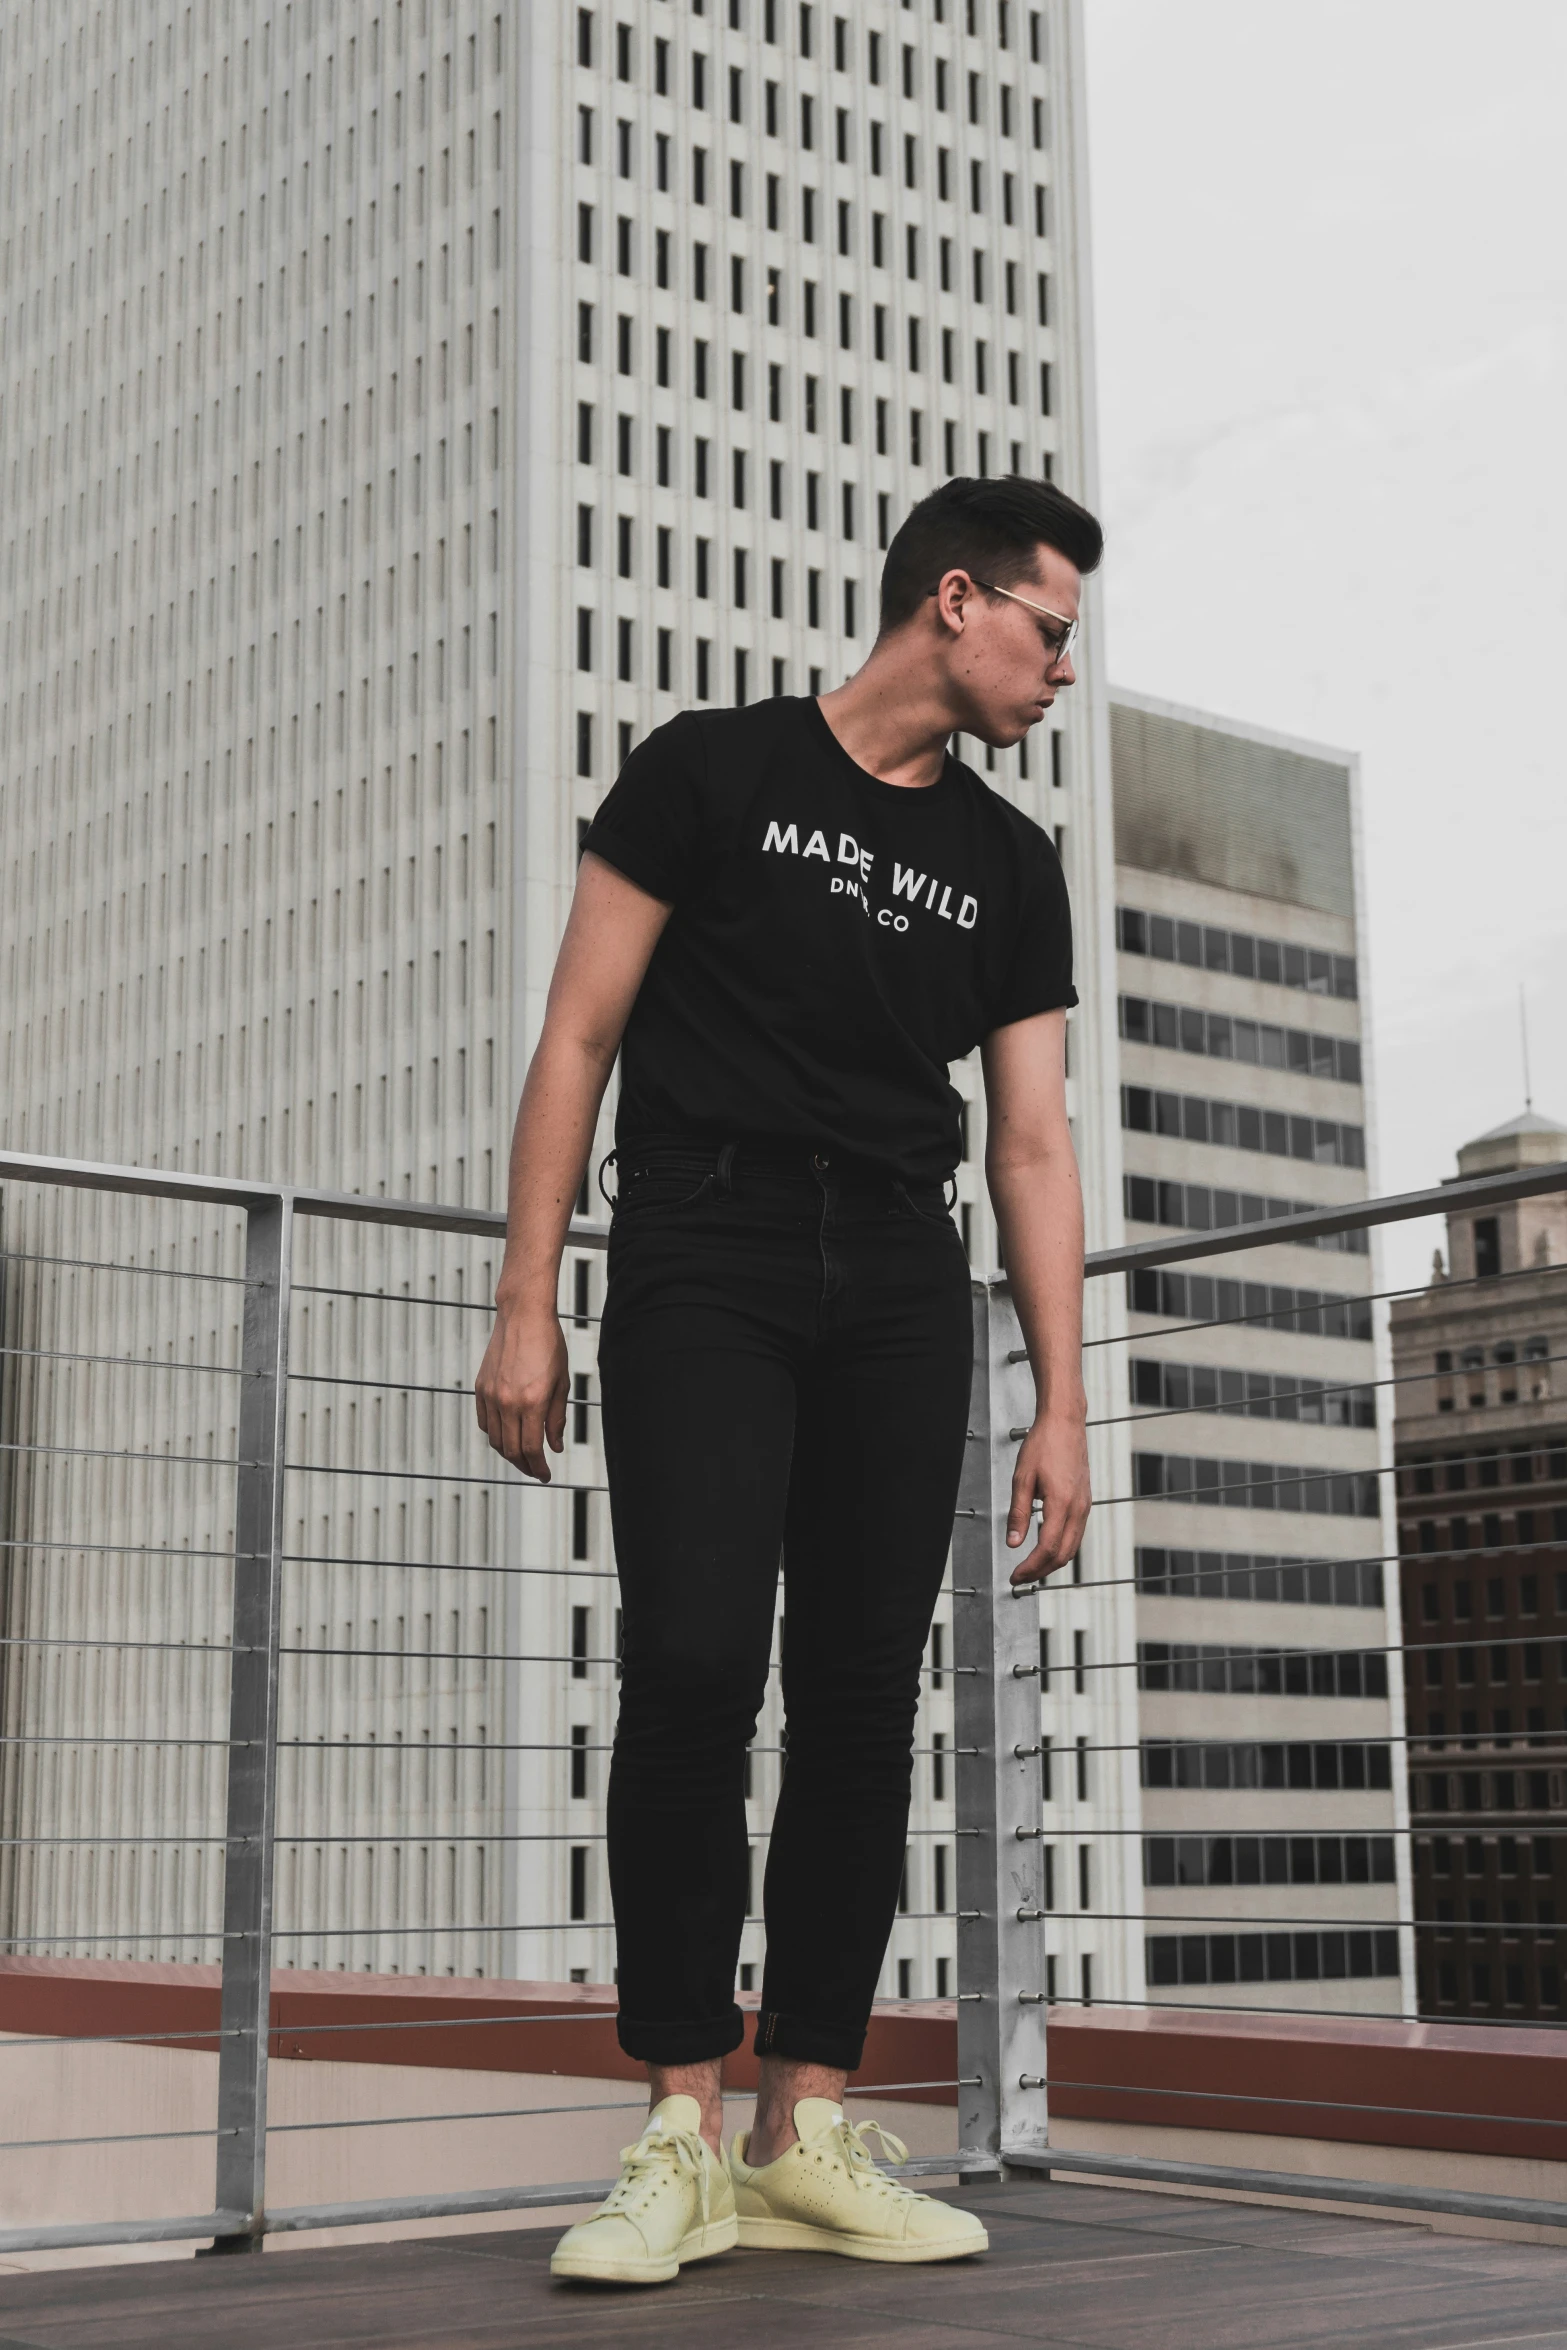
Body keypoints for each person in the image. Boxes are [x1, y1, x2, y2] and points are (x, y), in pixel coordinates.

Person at [475, 474, 1099, 2287]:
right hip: (705, 1243)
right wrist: (527, 1295)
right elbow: (579, 1031)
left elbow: (1034, 1146)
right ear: (958, 601)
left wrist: (1056, 1395)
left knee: (853, 1699)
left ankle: (803, 2123)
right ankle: (675, 2125)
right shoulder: (710, 768)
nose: (1062, 669)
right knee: (684, 1665)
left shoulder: (1009, 860)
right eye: (1051, 630)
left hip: (905, 1273)